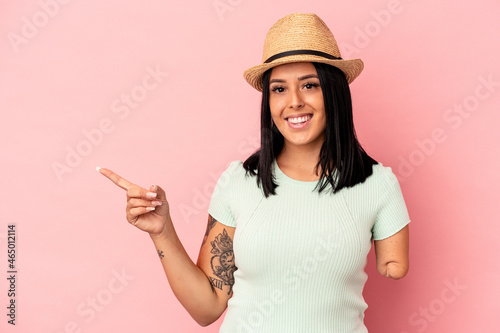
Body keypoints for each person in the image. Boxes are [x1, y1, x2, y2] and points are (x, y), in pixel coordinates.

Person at [98, 13, 410, 332]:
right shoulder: (239, 181)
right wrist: (161, 230)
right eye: (279, 89)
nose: (294, 102)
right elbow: (207, 308)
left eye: (310, 85)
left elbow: (395, 265)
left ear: (334, 92)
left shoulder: (377, 183)